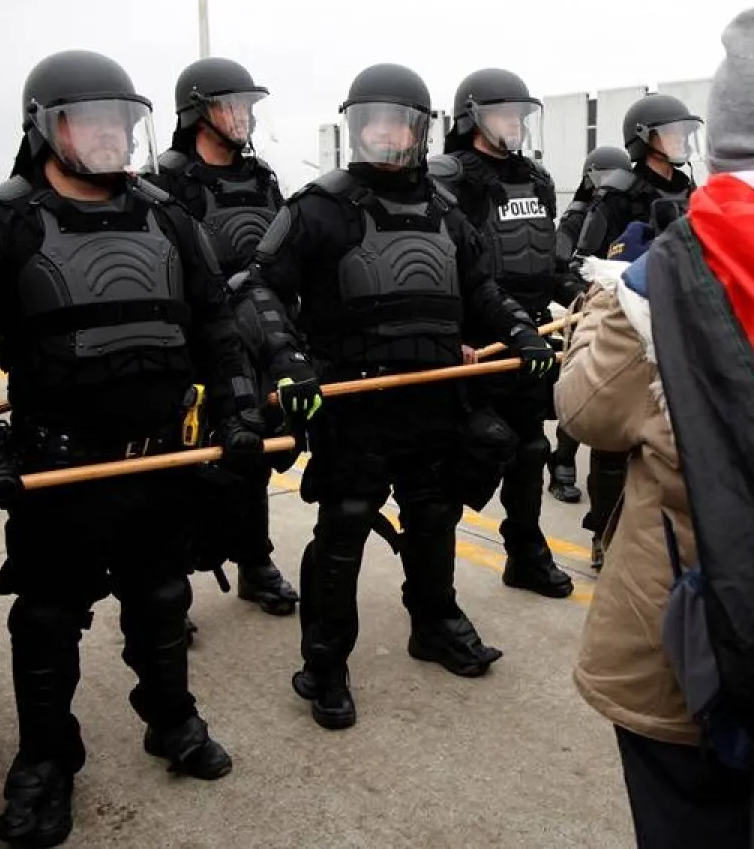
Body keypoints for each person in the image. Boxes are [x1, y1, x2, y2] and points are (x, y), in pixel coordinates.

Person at [0, 50, 267, 847]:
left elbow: (219, 327)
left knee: (162, 601)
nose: (112, 137)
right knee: (46, 619)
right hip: (58, 467)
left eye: (123, 121)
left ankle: (172, 721)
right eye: (93, 121)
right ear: (47, 126)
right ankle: (46, 760)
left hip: (159, 461)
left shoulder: (167, 215)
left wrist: (239, 415)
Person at [557, 0, 754, 849]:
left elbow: (583, 410)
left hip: (693, 617)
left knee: (690, 815)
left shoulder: (670, 274)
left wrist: (600, 308)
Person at [234, 63, 555, 730]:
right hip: (354, 407)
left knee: (434, 517)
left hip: (433, 401)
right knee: (345, 526)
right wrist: (289, 364)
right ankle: (323, 663)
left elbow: (482, 291)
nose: (382, 131)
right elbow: (256, 288)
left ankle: (434, 622)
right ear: (355, 126)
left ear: (419, 127)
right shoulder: (317, 207)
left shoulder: (445, 211)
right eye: (369, 119)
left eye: (396, 119)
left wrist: (521, 332)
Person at [153, 56, 298, 616]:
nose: (243, 117)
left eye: (247, 107)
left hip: (259, 333)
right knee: (187, 462)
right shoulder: (164, 180)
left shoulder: (262, 178)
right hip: (198, 338)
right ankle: (170, 589)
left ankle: (255, 563)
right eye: (230, 106)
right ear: (197, 112)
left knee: (253, 452)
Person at [427, 68, 579, 599]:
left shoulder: (535, 179)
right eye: (503, 115)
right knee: (466, 458)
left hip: (531, 334)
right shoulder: (448, 177)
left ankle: (526, 554)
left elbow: (541, 258)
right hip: (476, 343)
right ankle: (432, 590)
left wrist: (584, 287)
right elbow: (442, 263)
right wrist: (454, 335)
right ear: (472, 116)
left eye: (520, 115)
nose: (514, 124)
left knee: (531, 448)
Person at [573, 94, 703, 570]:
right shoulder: (619, 192)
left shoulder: (690, 191)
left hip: (677, 327)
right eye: (674, 132)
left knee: (668, 441)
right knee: (613, 445)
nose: (683, 141)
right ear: (646, 138)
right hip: (627, 322)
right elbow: (582, 262)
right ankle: (602, 534)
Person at [547, 145, 630, 506]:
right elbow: (560, 266)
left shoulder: (627, 209)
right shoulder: (577, 217)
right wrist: (583, 295)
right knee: (583, 381)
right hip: (584, 306)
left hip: (624, 304)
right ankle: (562, 460)